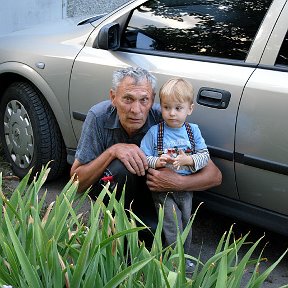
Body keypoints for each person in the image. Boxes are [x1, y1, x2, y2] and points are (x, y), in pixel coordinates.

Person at [70, 66, 222, 230]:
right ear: (113, 97)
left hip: (153, 193)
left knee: (163, 241)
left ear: (153, 99)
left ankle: (146, 228)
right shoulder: (99, 117)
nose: (136, 110)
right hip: (113, 189)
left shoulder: (164, 119)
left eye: (144, 100)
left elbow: (214, 176)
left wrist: (179, 182)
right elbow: (76, 183)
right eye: (128, 99)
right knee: (121, 167)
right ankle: (115, 228)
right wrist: (112, 151)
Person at [140, 78, 209, 271]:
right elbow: (144, 157)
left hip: (185, 188)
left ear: (190, 109)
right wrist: (157, 161)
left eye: (178, 108)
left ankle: (184, 256)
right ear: (160, 107)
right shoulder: (155, 132)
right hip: (162, 191)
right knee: (172, 224)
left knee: (186, 222)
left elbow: (204, 156)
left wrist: (189, 160)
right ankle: (173, 259)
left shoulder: (192, 131)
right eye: (166, 107)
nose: (172, 113)